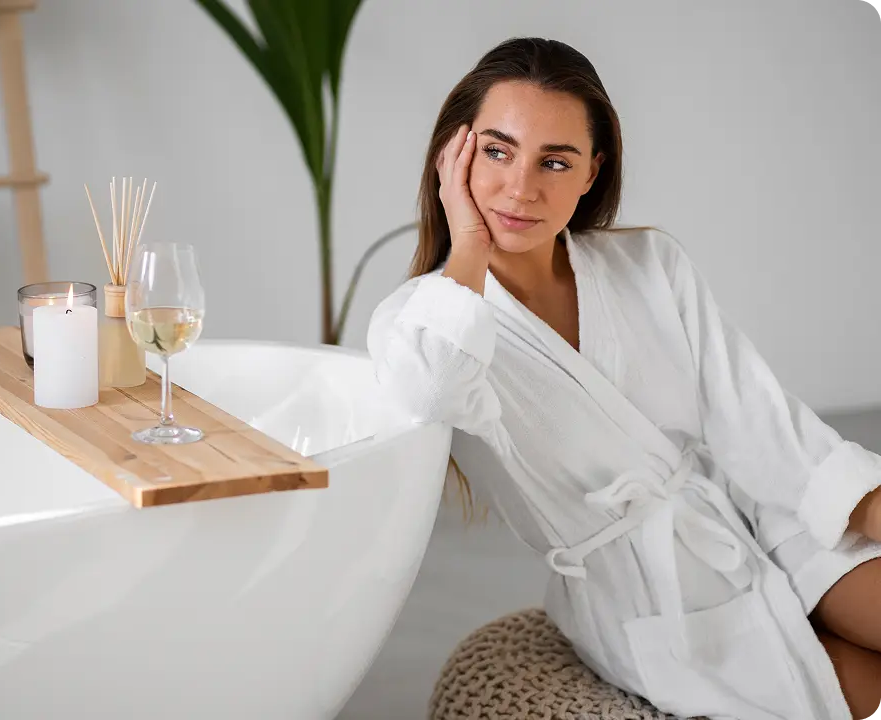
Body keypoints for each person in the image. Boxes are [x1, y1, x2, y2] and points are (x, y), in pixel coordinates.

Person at [367, 37, 881, 719]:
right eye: (497, 151)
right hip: (645, 589)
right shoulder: (419, 320)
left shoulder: (647, 263)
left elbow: (753, 418)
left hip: (754, 507)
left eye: (555, 161)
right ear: (452, 156)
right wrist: (467, 247)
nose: (521, 187)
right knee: (852, 686)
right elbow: (427, 391)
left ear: (591, 172)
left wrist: (869, 505)